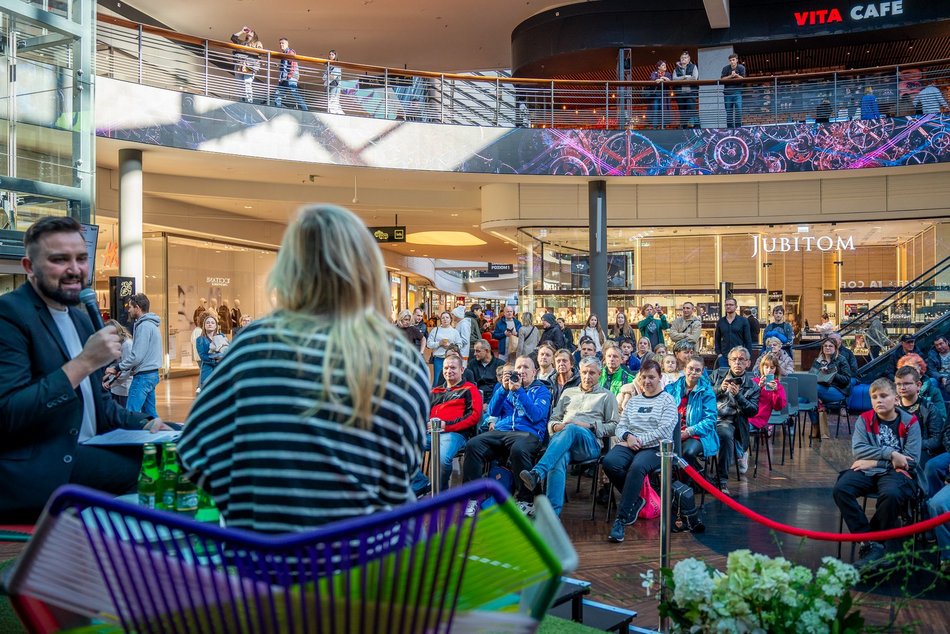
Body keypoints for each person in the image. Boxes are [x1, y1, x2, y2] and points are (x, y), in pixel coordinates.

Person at [178, 204, 429, 533]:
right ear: (368, 271)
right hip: (373, 570)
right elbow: (406, 469)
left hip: (264, 568)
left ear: (290, 271)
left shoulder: (255, 345)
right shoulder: (402, 359)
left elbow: (194, 458)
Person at [0, 216, 168, 522]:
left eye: (81, 258)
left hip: (89, 448)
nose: (75, 269)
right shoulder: (9, 315)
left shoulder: (80, 318)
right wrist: (84, 363)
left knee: (177, 450)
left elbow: (101, 407)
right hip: (42, 463)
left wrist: (146, 424)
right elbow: (8, 411)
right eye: (59, 260)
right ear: (29, 267)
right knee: (159, 472)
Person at [832, 377, 920, 571]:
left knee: (892, 494)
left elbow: (910, 462)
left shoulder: (910, 422)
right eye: (874, 397)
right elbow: (859, 450)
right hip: (868, 470)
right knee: (842, 488)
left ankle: (874, 544)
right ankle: (870, 542)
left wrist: (875, 460)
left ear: (896, 399)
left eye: (883, 396)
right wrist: (891, 454)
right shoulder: (864, 419)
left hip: (896, 473)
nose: (878, 400)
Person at [520, 356, 618, 517]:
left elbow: (615, 425)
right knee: (558, 459)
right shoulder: (568, 392)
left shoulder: (606, 396)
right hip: (564, 441)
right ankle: (552, 517)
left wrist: (590, 426)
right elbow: (553, 419)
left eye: (592, 373)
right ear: (579, 372)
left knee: (572, 428)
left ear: (599, 374)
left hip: (589, 443)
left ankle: (537, 472)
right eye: (585, 372)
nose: (587, 376)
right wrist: (557, 426)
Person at [462, 355, 550, 516]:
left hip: (528, 434)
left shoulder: (542, 390)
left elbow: (536, 415)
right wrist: (503, 389)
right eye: (518, 368)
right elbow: (492, 412)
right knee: (473, 444)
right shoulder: (505, 388)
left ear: (534, 372)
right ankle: (473, 498)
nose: (521, 371)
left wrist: (520, 391)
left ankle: (526, 500)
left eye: (525, 367)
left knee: (518, 449)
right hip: (502, 431)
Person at [602, 360, 678, 543]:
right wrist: (628, 436)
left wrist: (639, 441)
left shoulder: (668, 400)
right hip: (630, 443)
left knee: (637, 467)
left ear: (660, 378)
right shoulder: (634, 401)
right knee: (609, 462)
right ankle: (636, 500)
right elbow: (620, 426)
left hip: (655, 448)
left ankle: (621, 520)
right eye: (643, 377)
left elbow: (665, 430)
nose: (647, 381)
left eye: (651, 377)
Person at [410, 354, 482, 496]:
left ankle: (440, 494)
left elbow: (474, 416)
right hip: (430, 433)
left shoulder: (470, 389)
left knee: (442, 458)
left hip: (454, 434)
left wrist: (446, 426)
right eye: (446, 368)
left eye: (453, 368)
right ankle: (421, 483)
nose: (449, 371)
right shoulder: (435, 391)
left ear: (462, 370)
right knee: (400, 447)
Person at [710, 346, 760, 494]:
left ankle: (722, 480)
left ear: (748, 363)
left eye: (741, 359)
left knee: (725, 434)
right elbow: (702, 393)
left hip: (730, 421)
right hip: (708, 417)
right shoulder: (717, 375)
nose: (737, 362)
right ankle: (693, 478)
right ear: (729, 361)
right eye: (734, 359)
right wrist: (719, 389)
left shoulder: (753, 386)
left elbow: (752, 411)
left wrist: (739, 396)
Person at [665, 355, 719, 473]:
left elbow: (710, 420)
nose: (693, 372)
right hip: (672, 432)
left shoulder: (707, 392)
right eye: (690, 368)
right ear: (684, 369)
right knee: (657, 450)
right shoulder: (670, 389)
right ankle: (676, 481)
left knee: (686, 452)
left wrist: (689, 431)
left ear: (702, 371)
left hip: (698, 433)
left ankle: (689, 484)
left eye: (698, 370)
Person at [118, 293, 162, 417]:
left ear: (137, 307)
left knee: (130, 414)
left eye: (130, 307)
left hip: (143, 377)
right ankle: (165, 434)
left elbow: (136, 356)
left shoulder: (144, 327)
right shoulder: (152, 325)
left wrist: (118, 367)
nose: (129, 310)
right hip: (151, 375)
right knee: (150, 415)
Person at [894, 366, 946, 471]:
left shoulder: (929, 408)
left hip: (922, 451)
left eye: (907, 384)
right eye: (898, 384)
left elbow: (936, 440)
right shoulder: (892, 408)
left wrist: (911, 446)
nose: (902, 387)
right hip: (896, 451)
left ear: (918, 385)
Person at [747, 353, 788, 467]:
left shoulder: (778, 386)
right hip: (747, 415)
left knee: (742, 429)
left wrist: (775, 392)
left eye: (772, 367)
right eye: (766, 367)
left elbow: (778, 406)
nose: (769, 370)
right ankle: (738, 453)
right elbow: (745, 398)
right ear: (762, 368)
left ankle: (740, 454)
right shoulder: (754, 381)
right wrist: (758, 388)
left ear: (776, 369)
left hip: (759, 419)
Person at [808, 337, 853, 437]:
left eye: (830, 346)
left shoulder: (841, 359)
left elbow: (846, 379)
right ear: (822, 348)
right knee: (807, 396)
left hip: (838, 390)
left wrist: (831, 373)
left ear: (835, 348)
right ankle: (815, 425)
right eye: (825, 346)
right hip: (820, 389)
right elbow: (810, 377)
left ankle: (816, 424)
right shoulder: (818, 360)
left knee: (813, 390)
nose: (828, 348)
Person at [896, 353, 946, 418]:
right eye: (906, 371)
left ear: (920, 371)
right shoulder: (896, 395)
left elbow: (942, 417)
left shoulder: (934, 392)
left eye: (914, 369)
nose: (910, 374)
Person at [427, 310, 464, 387]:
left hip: (452, 359)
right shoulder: (435, 330)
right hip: (439, 359)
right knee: (437, 380)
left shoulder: (454, 332)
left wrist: (450, 346)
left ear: (450, 319)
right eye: (443, 318)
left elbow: (459, 344)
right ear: (440, 320)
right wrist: (439, 343)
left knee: (451, 379)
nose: (445, 319)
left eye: (447, 317)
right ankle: (436, 396)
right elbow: (429, 344)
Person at [102, 319, 133, 407]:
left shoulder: (127, 344)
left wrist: (111, 382)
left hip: (124, 387)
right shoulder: (121, 343)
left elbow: (126, 368)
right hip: (118, 386)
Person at [714, 298, 752, 368]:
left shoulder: (743, 321)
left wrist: (748, 357)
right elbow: (717, 339)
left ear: (736, 306)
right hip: (724, 357)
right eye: (726, 305)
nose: (728, 306)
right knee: (724, 377)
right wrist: (719, 354)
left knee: (738, 377)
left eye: (731, 305)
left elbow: (748, 340)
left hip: (739, 357)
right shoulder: (721, 321)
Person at [195, 312, 229, 387]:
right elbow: (202, 356)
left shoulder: (222, 336)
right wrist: (216, 360)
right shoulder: (200, 339)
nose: (210, 324)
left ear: (216, 325)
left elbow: (227, 349)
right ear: (204, 325)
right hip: (208, 368)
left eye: (212, 323)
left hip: (221, 368)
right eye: (208, 323)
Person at [274, 37, 308, 111]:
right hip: (285, 78)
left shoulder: (290, 52)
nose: (281, 45)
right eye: (280, 43)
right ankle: (278, 110)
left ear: (287, 44)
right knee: (277, 94)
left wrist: (289, 76)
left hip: (290, 77)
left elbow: (293, 64)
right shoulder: (284, 54)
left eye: (282, 43)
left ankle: (305, 109)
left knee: (294, 93)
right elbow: (285, 67)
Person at [230, 26, 262, 103]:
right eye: (249, 32)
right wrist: (242, 31)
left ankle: (249, 101)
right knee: (239, 85)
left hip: (250, 66)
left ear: (254, 35)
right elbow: (233, 38)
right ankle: (242, 101)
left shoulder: (257, 43)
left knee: (247, 83)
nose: (249, 33)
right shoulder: (243, 43)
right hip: (239, 65)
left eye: (251, 32)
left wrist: (247, 51)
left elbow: (260, 52)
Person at [469, 338, 503, 403]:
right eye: (474, 351)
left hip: (495, 398)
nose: (474, 354)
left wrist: (488, 403)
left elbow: (501, 387)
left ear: (487, 351)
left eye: (478, 351)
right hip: (476, 398)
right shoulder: (472, 364)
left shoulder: (500, 364)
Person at [671, 51, 699, 128]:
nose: (683, 59)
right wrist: (684, 77)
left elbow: (694, 78)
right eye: (682, 58)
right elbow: (674, 79)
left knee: (691, 110)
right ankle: (683, 129)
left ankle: (693, 128)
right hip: (680, 94)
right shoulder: (676, 69)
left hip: (691, 93)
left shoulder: (693, 67)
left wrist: (681, 79)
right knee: (682, 112)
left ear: (689, 59)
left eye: (685, 58)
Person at [720, 53, 746, 128]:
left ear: (737, 60)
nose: (732, 62)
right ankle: (729, 129)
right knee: (729, 112)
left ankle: (738, 128)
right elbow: (722, 79)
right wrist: (731, 76)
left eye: (733, 60)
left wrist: (737, 76)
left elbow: (743, 79)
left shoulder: (741, 67)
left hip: (737, 92)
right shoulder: (725, 68)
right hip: (727, 93)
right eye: (730, 60)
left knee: (738, 111)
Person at [648, 60, 672, 128]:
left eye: (665, 65)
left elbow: (669, 80)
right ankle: (655, 127)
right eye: (663, 65)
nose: (665, 66)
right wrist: (663, 79)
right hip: (656, 95)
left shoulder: (667, 74)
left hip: (664, 95)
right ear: (658, 67)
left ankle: (663, 127)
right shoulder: (654, 73)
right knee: (655, 111)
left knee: (663, 111)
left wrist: (662, 79)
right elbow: (653, 79)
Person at [925, 335, 950, 400]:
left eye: (941, 344)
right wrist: (941, 378)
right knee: (931, 381)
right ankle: (934, 404)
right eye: (936, 345)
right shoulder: (932, 355)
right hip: (939, 379)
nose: (939, 347)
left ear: (946, 342)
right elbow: (931, 370)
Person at [323, 49, 344, 114]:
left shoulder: (337, 65)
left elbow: (333, 76)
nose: (331, 56)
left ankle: (334, 112)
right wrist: (329, 75)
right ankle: (335, 112)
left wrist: (328, 75)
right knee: (331, 99)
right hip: (328, 85)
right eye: (330, 54)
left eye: (332, 54)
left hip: (335, 85)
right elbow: (323, 77)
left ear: (335, 56)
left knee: (333, 99)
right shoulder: (328, 66)